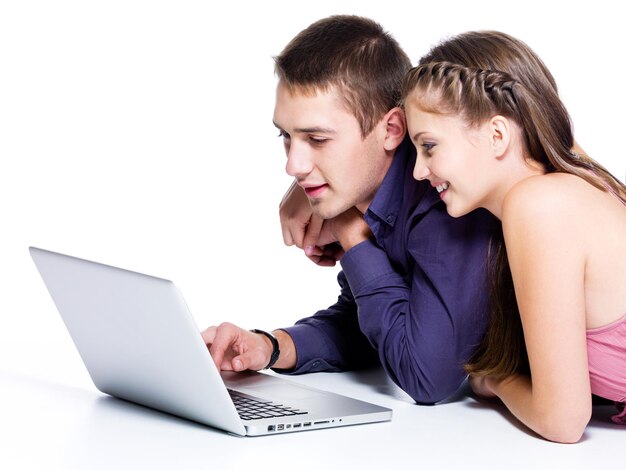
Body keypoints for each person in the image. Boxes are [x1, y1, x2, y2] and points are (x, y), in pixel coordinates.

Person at [201, 15, 499, 404]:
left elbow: (427, 377)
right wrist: (270, 347)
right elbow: (376, 321)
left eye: (317, 139)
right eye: (286, 137)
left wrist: (351, 234)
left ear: (391, 130)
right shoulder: (377, 192)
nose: (293, 165)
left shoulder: (442, 200)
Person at [401, 30, 626, 442]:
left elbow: (562, 420)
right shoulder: (575, 186)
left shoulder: (539, 206)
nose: (418, 170)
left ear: (497, 135)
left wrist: (496, 382)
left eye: (429, 146)